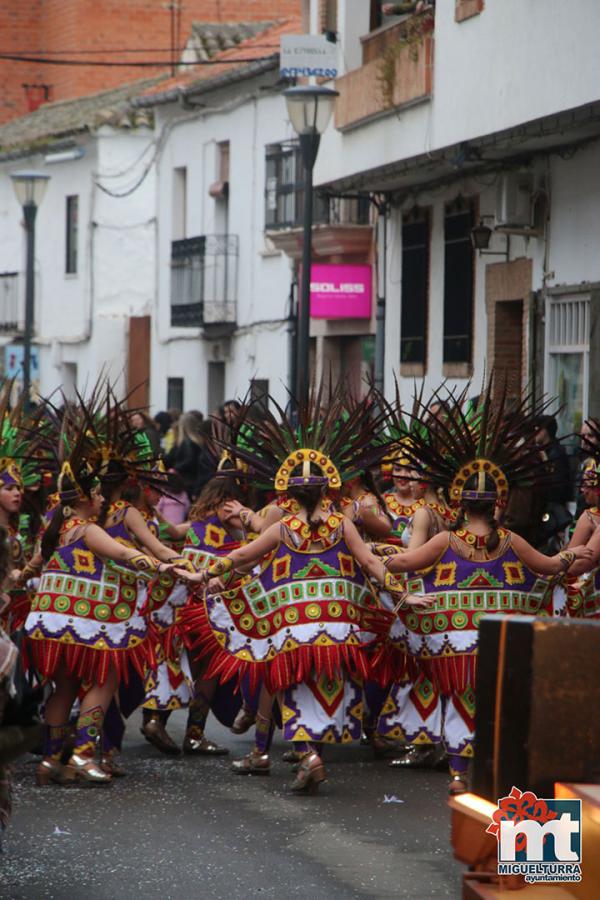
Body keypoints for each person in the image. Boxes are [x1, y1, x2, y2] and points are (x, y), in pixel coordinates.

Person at [175, 385, 430, 794]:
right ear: (328, 489)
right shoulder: (342, 523)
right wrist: (402, 595)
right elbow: (369, 563)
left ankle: (307, 754)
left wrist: (202, 576)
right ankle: (314, 755)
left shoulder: (281, 526)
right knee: (323, 686)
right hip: (339, 627)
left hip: (291, 626)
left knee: (287, 685)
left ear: (289, 493)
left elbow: (241, 557)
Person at [382, 382, 593, 794]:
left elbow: (405, 563)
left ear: (460, 502)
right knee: (500, 705)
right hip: (501, 640)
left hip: (454, 639)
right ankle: (498, 772)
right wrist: (575, 557)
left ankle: (460, 773)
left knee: (460, 702)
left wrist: (370, 557)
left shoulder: (446, 540)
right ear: (498, 502)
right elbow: (550, 567)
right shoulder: (512, 540)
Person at [24, 389, 175, 786]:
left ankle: (50, 762)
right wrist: (169, 568)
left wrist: (16, 581)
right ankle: (85, 755)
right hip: (94, 617)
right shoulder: (89, 528)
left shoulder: (55, 523)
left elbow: (34, 564)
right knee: (102, 681)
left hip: (48, 620)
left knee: (64, 686)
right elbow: (128, 556)